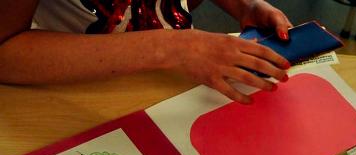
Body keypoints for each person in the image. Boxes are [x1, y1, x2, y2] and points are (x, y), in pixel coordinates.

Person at [0, 0, 292, 104]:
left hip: (169, 81)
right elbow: (6, 52)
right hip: (77, 92)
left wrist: (244, 6)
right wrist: (171, 46)